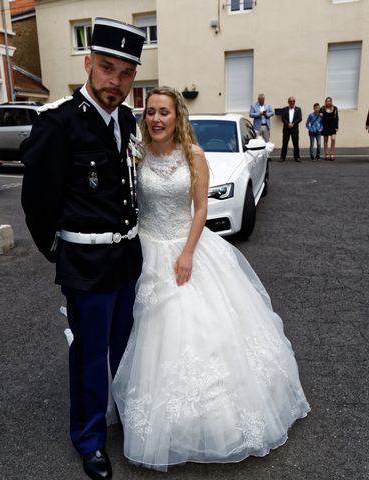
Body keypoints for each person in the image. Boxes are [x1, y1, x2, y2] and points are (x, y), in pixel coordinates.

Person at [112, 86, 310, 471]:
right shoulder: (137, 155)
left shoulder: (194, 155)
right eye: (150, 112)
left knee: (194, 329)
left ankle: (201, 422)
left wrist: (186, 253)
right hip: (143, 249)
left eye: (164, 112)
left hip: (186, 247)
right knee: (140, 329)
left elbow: (201, 208)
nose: (155, 119)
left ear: (177, 117)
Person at [20, 17, 146, 480]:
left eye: (126, 73)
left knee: (126, 347)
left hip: (128, 259)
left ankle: (121, 417)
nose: (116, 82)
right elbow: (36, 201)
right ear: (88, 64)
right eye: (108, 69)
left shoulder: (127, 118)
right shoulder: (58, 122)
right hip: (87, 262)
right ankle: (90, 439)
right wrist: (61, 251)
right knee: (91, 354)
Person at [280, 96, 302, 162]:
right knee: (284, 143)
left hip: (294, 129)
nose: (292, 102)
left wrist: (293, 124)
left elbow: (299, 118)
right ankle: (282, 157)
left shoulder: (298, 109)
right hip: (286, 128)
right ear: (288, 102)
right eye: (290, 101)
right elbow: (283, 118)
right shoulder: (284, 109)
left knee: (296, 143)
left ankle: (297, 157)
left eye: (293, 101)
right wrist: (288, 124)